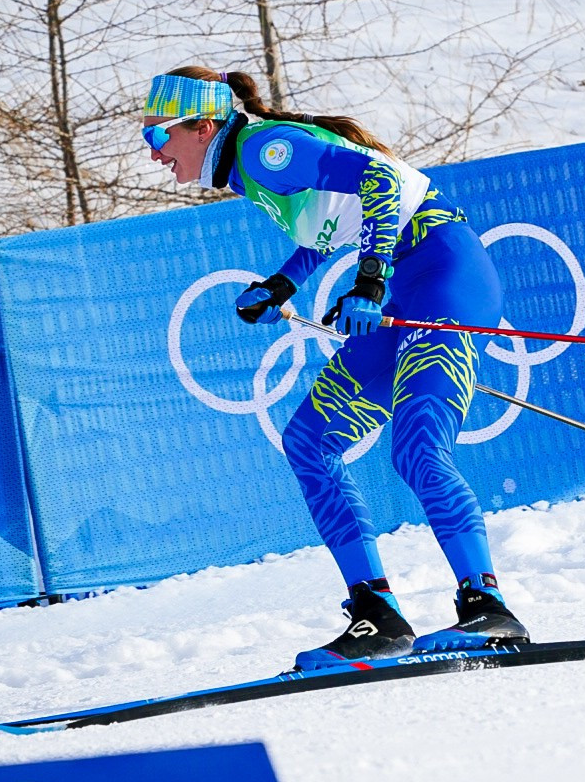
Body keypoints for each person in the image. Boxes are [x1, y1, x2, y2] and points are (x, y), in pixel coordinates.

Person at [142, 66, 529, 669]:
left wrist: (369, 282)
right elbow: (330, 223)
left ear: (201, 124)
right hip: (408, 278)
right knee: (309, 441)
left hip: (443, 273)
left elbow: (378, 176)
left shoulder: (264, 151)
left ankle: (488, 607)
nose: (154, 153)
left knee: (418, 449)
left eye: (157, 136)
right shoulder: (248, 168)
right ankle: (377, 614)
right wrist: (283, 284)